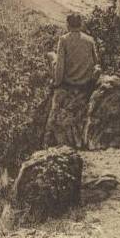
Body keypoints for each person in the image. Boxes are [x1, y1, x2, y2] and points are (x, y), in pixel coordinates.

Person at [43, 13, 100, 148]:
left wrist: (56, 83)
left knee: (51, 56)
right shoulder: (90, 40)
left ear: (68, 25)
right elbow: (96, 62)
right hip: (85, 83)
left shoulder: (63, 40)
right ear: (81, 25)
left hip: (69, 82)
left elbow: (60, 65)